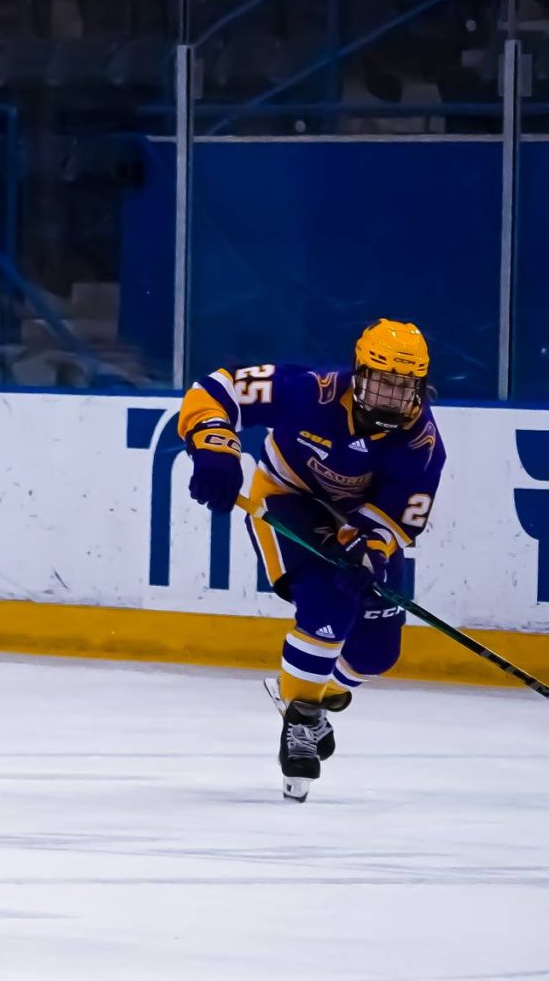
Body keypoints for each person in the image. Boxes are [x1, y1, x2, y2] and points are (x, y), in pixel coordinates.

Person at [175, 319, 445, 801]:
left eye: (403, 387)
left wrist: (369, 548)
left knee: (375, 654)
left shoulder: (422, 445)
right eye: (382, 381)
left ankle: (316, 694)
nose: (389, 397)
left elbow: (399, 518)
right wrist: (214, 447)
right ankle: (299, 721)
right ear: (359, 373)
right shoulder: (311, 392)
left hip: (356, 521)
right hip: (287, 496)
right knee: (327, 604)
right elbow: (217, 388)